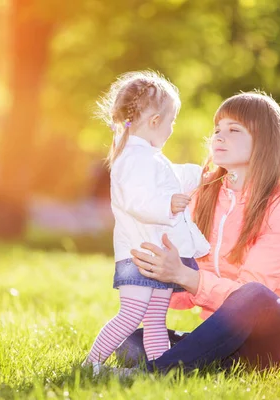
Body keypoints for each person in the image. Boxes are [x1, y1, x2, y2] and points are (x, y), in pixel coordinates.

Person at [122, 91, 280, 374]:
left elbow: (248, 298)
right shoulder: (202, 197)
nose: (219, 136)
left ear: (264, 142)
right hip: (233, 340)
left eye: (233, 130)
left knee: (254, 294)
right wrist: (155, 273)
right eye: (217, 129)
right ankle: (217, 366)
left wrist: (183, 275)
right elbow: (190, 289)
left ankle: (153, 373)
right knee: (130, 342)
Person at [82, 71, 210, 374]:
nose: (171, 129)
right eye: (171, 122)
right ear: (154, 121)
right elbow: (135, 201)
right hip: (138, 255)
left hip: (155, 256)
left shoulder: (149, 157)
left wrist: (201, 174)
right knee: (131, 314)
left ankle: (159, 373)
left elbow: (172, 177)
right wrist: (167, 205)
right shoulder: (133, 159)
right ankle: (90, 365)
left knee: (154, 320)